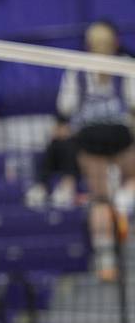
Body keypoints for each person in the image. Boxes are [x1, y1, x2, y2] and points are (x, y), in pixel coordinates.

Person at [56, 21, 135, 281]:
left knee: (99, 199)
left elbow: (65, 107)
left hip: (90, 138)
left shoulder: (77, 68)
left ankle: (106, 261)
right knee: (130, 181)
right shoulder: (126, 64)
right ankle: (123, 202)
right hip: (121, 135)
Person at [24, 117, 81, 210]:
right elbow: (59, 126)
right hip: (62, 152)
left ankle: (68, 184)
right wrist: (60, 131)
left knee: (69, 144)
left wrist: (71, 132)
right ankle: (41, 186)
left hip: (81, 150)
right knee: (54, 144)